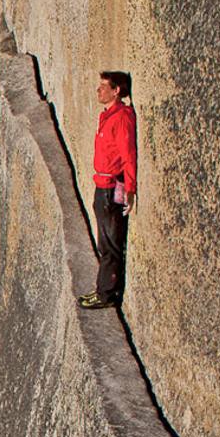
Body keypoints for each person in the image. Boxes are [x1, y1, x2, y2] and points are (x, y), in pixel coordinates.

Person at [79, 70, 137, 309]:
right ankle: (104, 290)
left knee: (110, 244)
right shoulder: (107, 116)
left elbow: (128, 155)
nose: (98, 90)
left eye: (104, 86)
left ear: (117, 91)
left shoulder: (122, 117)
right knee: (105, 242)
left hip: (111, 187)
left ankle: (106, 294)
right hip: (101, 185)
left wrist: (130, 190)